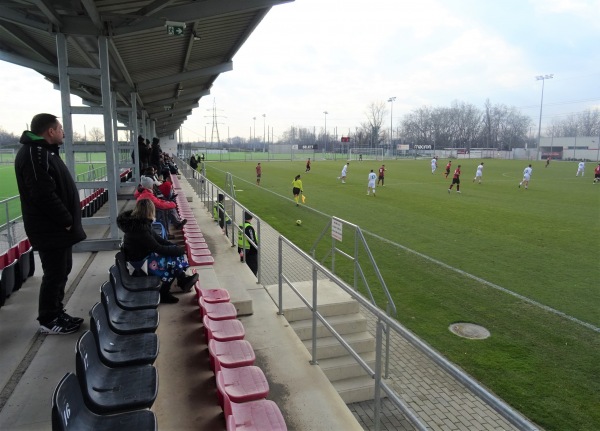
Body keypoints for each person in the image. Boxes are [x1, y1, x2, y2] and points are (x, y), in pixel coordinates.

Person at [14, 113, 87, 335]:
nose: (63, 132)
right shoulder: (34, 154)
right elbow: (42, 193)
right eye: (60, 128)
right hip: (50, 228)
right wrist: (66, 220)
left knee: (62, 270)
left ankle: (56, 311)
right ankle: (48, 319)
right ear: (50, 131)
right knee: (55, 273)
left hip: (56, 229)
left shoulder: (43, 152)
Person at [117, 199, 198, 304]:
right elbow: (158, 248)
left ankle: (181, 280)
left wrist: (175, 247)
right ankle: (166, 291)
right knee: (169, 262)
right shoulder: (140, 229)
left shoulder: (141, 223)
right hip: (138, 264)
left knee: (174, 255)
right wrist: (177, 250)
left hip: (143, 256)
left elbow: (160, 240)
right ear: (150, 211)